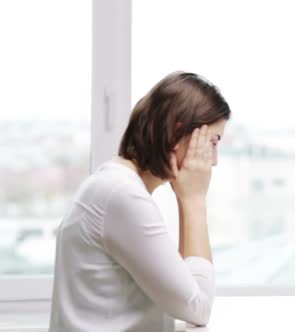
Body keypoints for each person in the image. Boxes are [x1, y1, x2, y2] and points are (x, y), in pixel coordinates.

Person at [49, 72, 230, 331]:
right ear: (178, 132)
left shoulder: (115, 185)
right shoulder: (122, 194)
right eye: (212, 142)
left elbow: (183, 287)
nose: (213, 160)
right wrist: (194, 200)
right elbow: (197, 308)